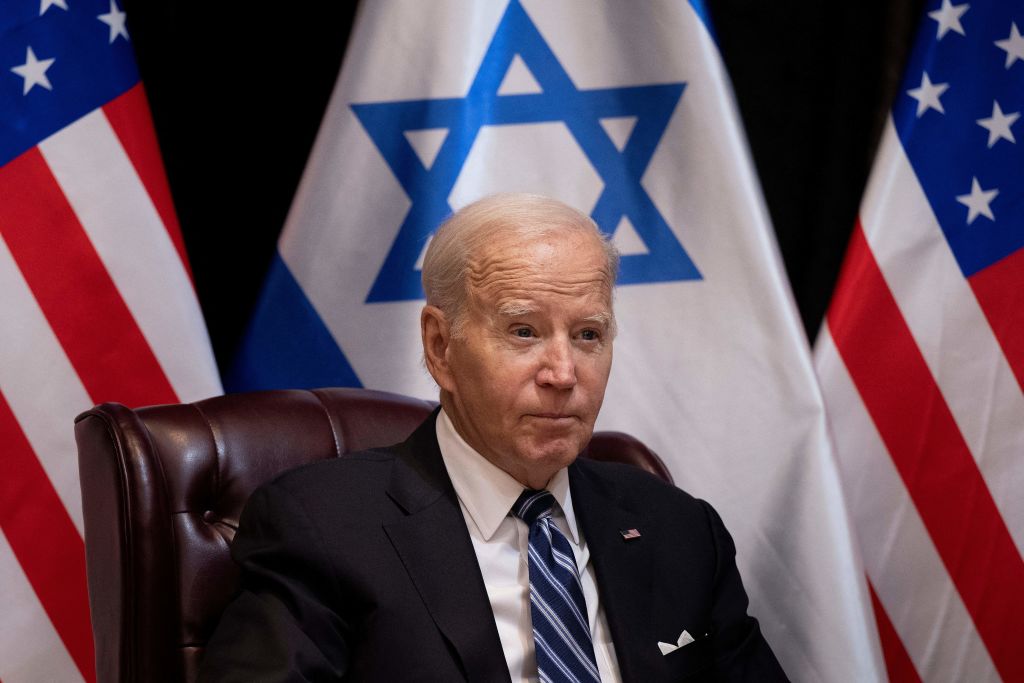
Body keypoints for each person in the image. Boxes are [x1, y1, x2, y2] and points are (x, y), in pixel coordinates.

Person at [198, 194, 787, 682]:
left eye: (587, 335)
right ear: (440, 346)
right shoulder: (324, 527)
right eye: (524, 332)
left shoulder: (679, 529)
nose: (563, 374)